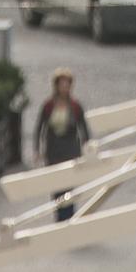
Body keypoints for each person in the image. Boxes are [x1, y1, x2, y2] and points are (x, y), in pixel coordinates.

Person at [34, 72, 93, 222]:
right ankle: (59, 216)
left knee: (68, 185)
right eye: (62, 84)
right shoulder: (48, 106)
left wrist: (88, 148)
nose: (65, 88)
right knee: (56, 185)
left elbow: (83, 128)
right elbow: (40, 127)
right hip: (54, 151)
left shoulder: (75, 106)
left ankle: (69, 216)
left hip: (70, 150)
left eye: (67, 84)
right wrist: (37, 149)